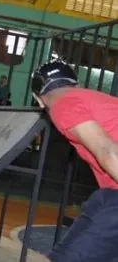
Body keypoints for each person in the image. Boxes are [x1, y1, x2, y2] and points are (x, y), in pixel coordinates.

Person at [31, 60, 118, 261]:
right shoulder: (90, 99)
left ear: (39, 99)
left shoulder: (62, 106)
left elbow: (107, 150)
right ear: (74, 84)